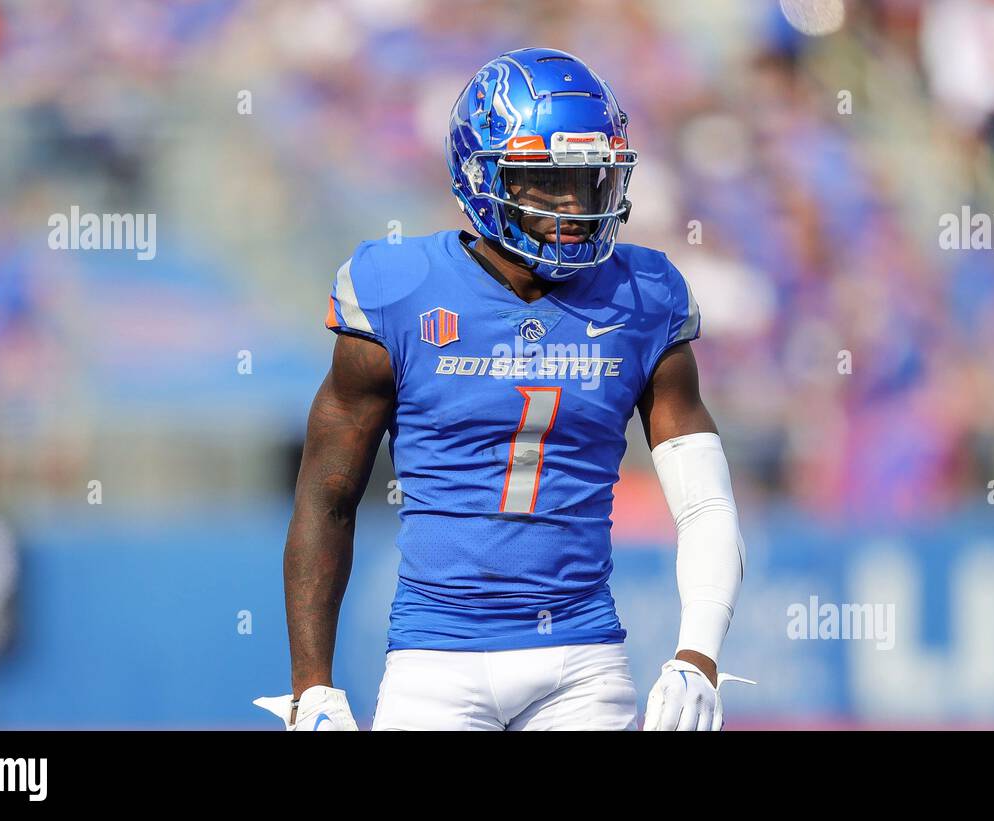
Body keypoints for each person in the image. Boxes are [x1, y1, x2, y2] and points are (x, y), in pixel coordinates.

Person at [256, 47, 749, 731]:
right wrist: (311, 686)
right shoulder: (399, 290)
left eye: (588, 179)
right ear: (480, 173)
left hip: (582, 660)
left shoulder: (642, 296)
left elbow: (706, 504)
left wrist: (699, 653)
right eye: (546, 182)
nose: (574, 206)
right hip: (435, 660)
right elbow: (326, 499)